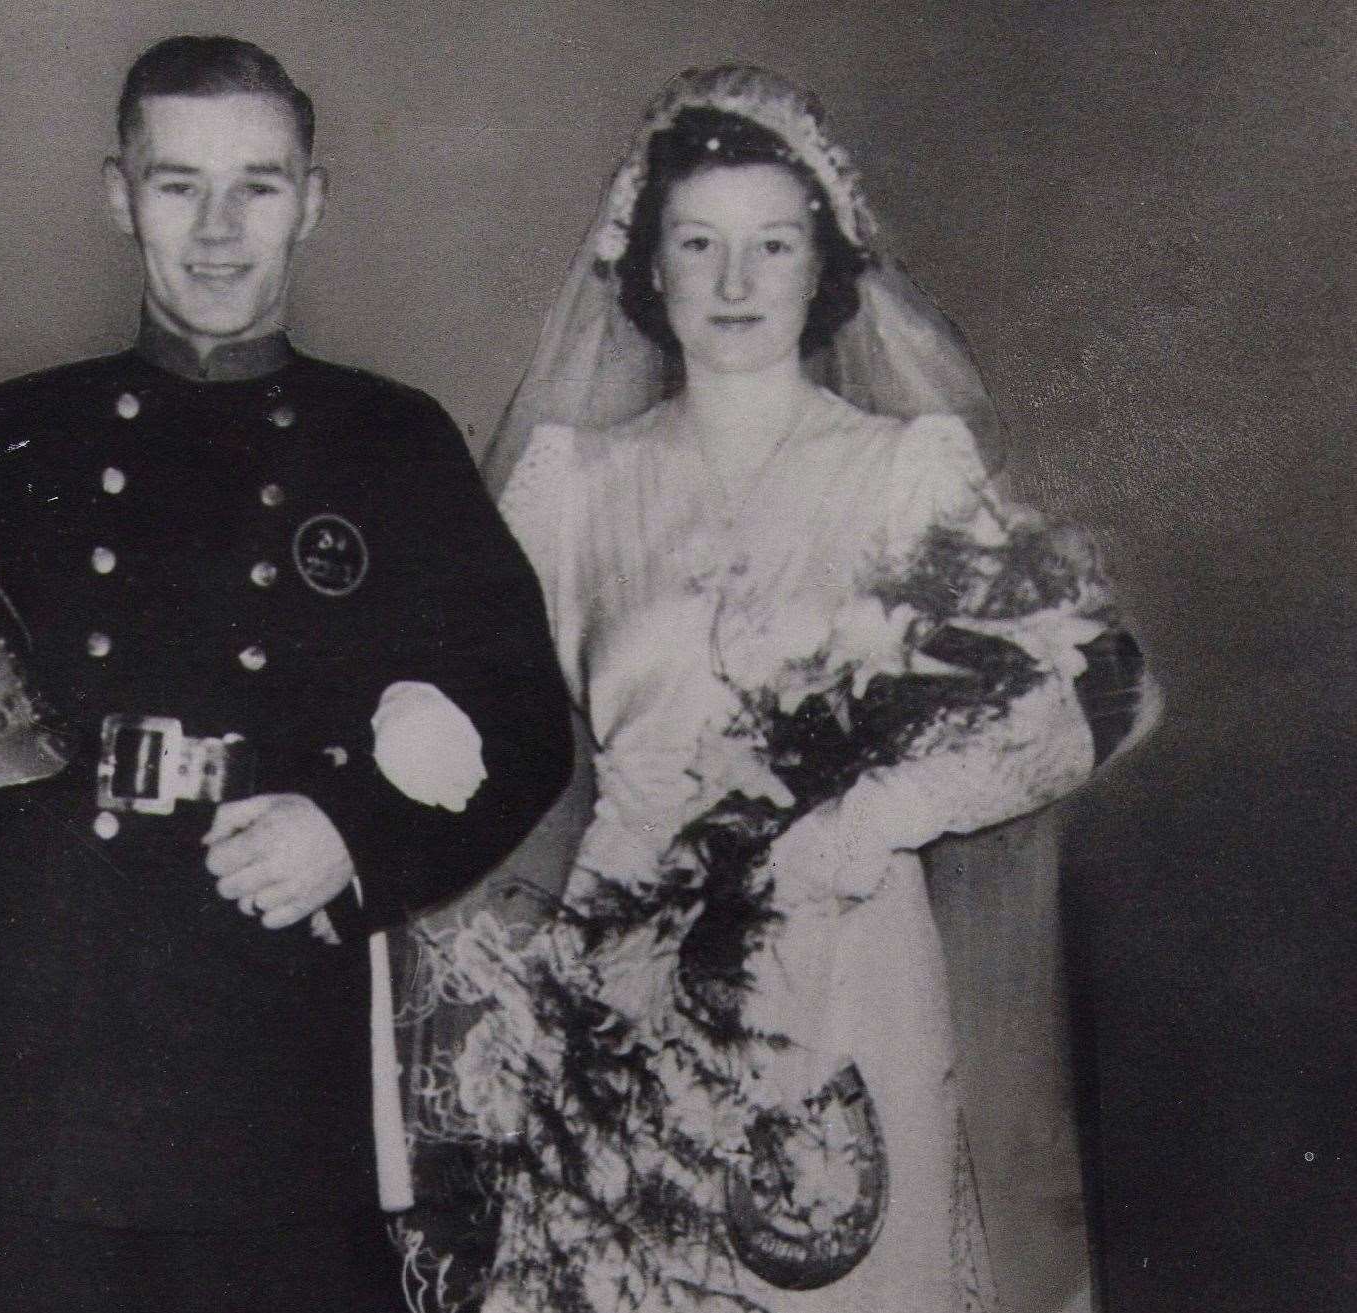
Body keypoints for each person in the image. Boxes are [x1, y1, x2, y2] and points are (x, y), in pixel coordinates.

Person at [0, 34, 572, 1313]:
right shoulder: (24, 426)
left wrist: (349, 831)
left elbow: (522, 721)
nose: (218, 228)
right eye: (177, 182)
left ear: (313, 199)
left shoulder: (390, 441)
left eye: (258, 183)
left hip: (269, 1072)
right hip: (32, 1071)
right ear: (117, 195)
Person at [395, 66, 1159, 1313]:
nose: (735, 282)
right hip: (622, 972)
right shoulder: (569, 485)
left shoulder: (905, 473)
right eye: (699, 244)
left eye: (771, 244)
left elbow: (1092, 688)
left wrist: (867, 822)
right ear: (649, 270)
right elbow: (465, 693)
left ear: (823, 268)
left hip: (845, 958)